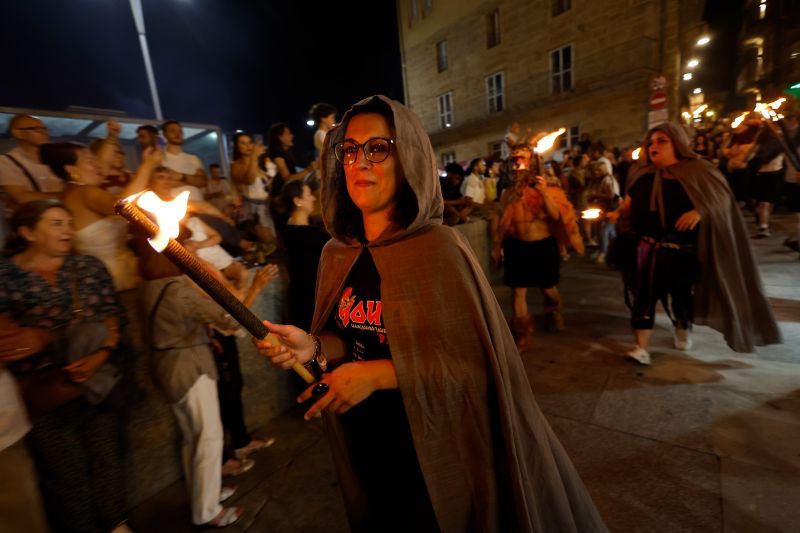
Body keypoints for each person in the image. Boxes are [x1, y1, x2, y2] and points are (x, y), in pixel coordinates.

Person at [254, 95, 606, 532]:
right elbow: (349, 335)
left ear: (409, 160)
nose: (359, 161)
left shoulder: (440, 248)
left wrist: (379, 374)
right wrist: (313, 345)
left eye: (377, 148)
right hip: (368, 434)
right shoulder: (336, 253)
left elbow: (480, 365)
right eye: (349, 149)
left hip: (437, 440)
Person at [1, 200, 131, 532]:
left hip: (96, 384)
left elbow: (113, 317)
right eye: (56, 223)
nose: (67, 230)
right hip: (47, 396)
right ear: (27, 232)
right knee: (65, 477)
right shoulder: (6, 277)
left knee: (108, 463)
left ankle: (116, 524)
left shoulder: (88, 267)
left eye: (69, 223)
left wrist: (100, 354)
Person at [609, 122, 781, 364]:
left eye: (661, 141)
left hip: (680, 252)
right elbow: (627, 205)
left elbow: (722, 201)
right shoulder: (644, 175)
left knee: (679, 297)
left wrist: (699, 211)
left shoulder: (699, 171)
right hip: (646, 249)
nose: (653, 146)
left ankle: (682, 326)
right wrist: (615, 214)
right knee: (643, 298)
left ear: (677, 144)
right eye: (651, 142)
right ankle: (641, 348)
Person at [494, 143, 580, 348]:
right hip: (516, 247)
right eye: (513, 159)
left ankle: (554, 310)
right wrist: (497, 247)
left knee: (548, 289)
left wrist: (543, 193)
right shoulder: (507, 192)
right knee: (518, 292)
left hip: (541, 246)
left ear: (531, 162)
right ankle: (522, 334)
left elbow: (555, 215)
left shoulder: (547, 187)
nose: (517, 162)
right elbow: (502, 221)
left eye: (521, 158)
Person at [41, 141, 154, 292]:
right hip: (113, 280)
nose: (98, 165)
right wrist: (148, 165)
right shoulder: (84, 192)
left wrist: (112, 137)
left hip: (102, 278)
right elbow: (121, 206)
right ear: (71, 169)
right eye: (90, 161)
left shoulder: (68, 193)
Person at [278, 180, 330, 330]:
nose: (313, 198)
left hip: (297, 296)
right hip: (312, 300)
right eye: (308, 195)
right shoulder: (311, 235)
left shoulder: (288, 228)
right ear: (297, 201)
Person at [0, 115, 63, 220]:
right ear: (18, 133)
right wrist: (67, 194)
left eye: (44, 128)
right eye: (36, 129)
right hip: (29, 223)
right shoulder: (6, 161)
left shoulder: (58, 158)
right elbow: (21, 197)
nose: (44, 132)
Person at [267, 123, 317, 198]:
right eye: (288, 134)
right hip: (280, 196)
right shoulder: (277, 156)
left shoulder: (287, 152)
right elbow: (287, 178)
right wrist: (308, 170)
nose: (292, 136)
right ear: (280, 137)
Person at [161, 120, 208, 189]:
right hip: (172, 199)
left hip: (197, 199)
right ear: (165, 134)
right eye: (172, 130)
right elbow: (160, 185)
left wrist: (181, 176)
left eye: (180, 131)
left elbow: (203, 182)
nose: (177, 134)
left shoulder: (193, 158)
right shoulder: (159, 158)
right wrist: (191, 180)